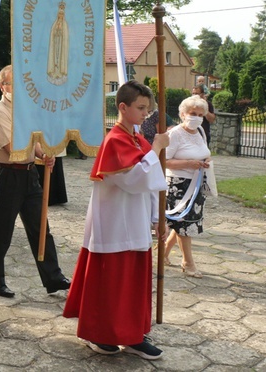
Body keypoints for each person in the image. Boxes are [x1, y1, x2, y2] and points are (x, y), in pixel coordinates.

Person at [63, 80, 169, 360]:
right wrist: (157, 148)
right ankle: (99, 333)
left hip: (135, 221)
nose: (146, 114)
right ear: (123, 107)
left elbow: (150, 184)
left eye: (148, 108)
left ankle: (132, 334)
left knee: (133, 282)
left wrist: (158, 217)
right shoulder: (115, 140)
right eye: (141, 108)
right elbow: (135, 179)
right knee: (111, 280)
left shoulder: (137, 138)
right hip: (113, 223)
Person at [0, 65, 71, 298]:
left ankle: (53, 277)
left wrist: (44, 155)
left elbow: (34, 141)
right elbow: (13, 148)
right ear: (3, 86)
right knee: (2, 231)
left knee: (41, 228)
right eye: (13, 84)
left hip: (29, 174)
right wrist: (35, 151)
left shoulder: (27, 109)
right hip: (7, 175)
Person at [162, 95, 212, 278]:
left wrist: (205, 160)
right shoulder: (174, 134)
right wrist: (188, 163)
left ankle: (163, 253)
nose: (196, 117)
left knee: (186, 221)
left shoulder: (200, 131)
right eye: (193, 113)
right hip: (178, 185)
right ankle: (188, 262)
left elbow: (205, 152)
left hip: (197, 182)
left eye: (200, 114)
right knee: (183, 223)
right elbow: (164, 161)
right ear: (183, 114)